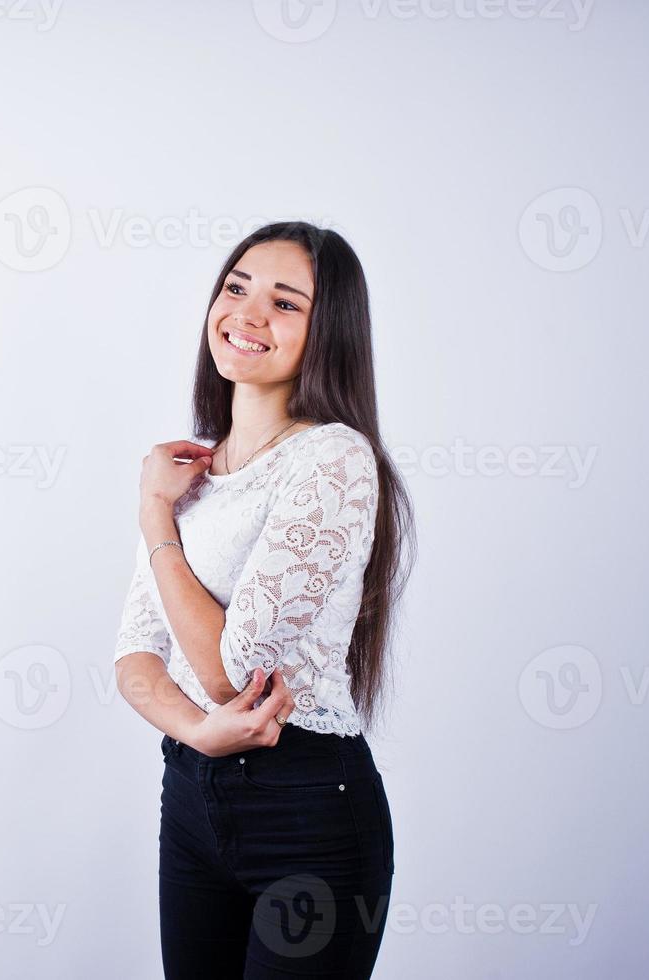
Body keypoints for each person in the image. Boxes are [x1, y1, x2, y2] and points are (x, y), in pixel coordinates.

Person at [113, 220, 415, 978]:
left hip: (306, 813)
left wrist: (153, 518)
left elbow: (229, 672)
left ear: (327, 334)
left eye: (284, 303)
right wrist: (199, 734)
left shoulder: (332, 457)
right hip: (189, 799)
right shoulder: (192, 472)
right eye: (236, 287)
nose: (245, 315)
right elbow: (133, 655)